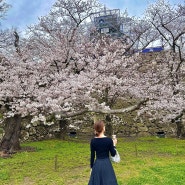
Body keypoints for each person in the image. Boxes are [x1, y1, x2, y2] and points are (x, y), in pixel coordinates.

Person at [88, 120, 118, 185]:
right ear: (103, 128)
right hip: (106, 164)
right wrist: (114, 145)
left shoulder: (93, 141)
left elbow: (92, 156)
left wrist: (91, 167)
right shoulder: (109, 140)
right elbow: (113, 154)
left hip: (97, 164)